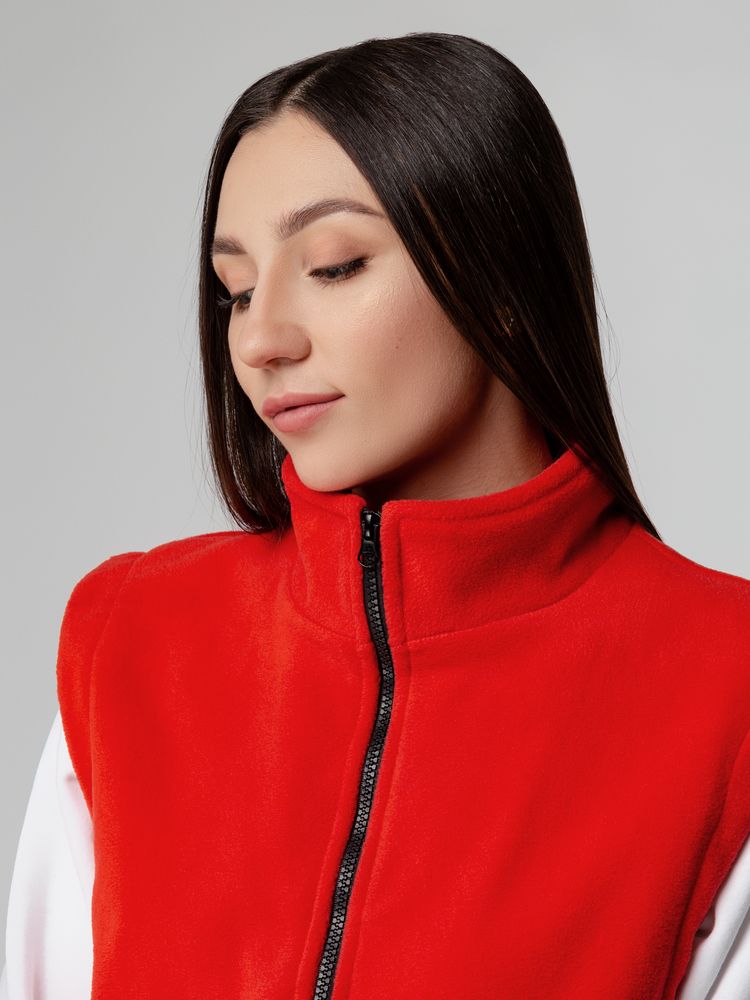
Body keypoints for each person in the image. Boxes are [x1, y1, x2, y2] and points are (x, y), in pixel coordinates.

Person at [2, 30, 750, 1000]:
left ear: (501, 277)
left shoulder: (723, 686)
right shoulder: (133, 643)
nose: (261, 338)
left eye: (334, 265)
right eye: (236, 291)